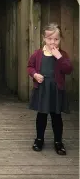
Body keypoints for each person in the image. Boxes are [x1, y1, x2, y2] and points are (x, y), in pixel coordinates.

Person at [27, 23, 73, 155]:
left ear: (60, 39)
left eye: (56, 39)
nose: (53, 42)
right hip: (42, 89)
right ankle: (39, 139)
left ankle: (58, 141)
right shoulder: (38, 54)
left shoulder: (62, 54)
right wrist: (35, 74)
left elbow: (68, 69)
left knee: (56, 117)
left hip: (56, 90)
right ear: (44, 38)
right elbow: (30, 66)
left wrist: (59, 57)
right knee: (41, 116)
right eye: (49, 38)